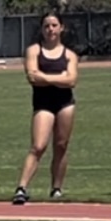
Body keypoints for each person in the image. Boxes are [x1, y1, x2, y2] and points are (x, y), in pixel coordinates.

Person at [12, 13, 78, 205]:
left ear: (61, 28)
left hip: (65, 104)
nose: (50, 29)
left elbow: (72, 81)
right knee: (38, 146)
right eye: (47, 26)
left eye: (54, 25)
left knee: (61, 145)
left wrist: (45, 77)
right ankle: (21, 188)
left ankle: (56, 188)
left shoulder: (69, 55)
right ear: (42, 29)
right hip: (43, 104)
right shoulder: (34, 51)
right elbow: (33, 77)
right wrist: (60, 77)